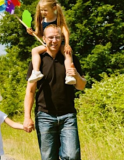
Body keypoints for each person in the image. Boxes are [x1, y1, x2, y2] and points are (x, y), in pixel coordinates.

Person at [23, 24, 86, 160]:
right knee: (48, 157)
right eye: (51, 37)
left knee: (72, 156)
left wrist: (75, 75)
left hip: (68, 115)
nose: (54, 40)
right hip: (44, 115)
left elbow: (81, 86)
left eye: (57, 37)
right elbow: (30, 91)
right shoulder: (38, 60)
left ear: (61, 39)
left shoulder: (69, 57)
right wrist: (27, 117)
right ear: (44, 39)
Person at [26, 0, 76, 85]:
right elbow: (39, 34)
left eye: (45, 10)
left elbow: (66, 32)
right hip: (47, 45)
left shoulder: (58, 19)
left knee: (67, 53)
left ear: (54, 8)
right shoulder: (42, 21)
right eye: (41, 10)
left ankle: (69, 75)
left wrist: (67, 44)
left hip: (59, 44)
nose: (43, 12)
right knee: (34, 50)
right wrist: (32, 32)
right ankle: (36, 71)